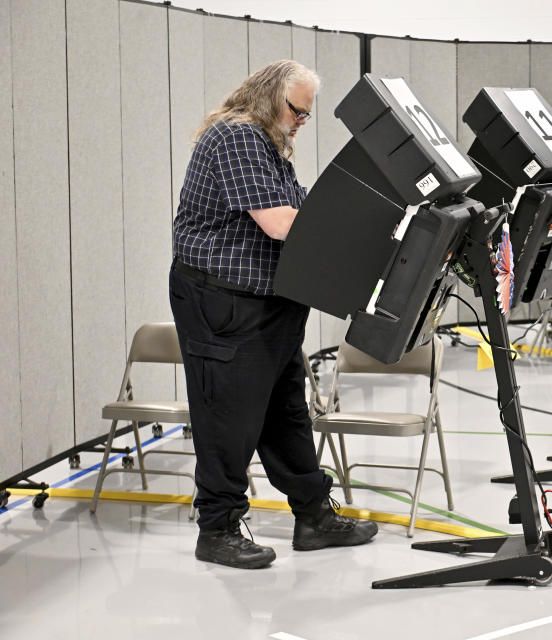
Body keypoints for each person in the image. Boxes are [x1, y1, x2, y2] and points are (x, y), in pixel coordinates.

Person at [169, 60, 377, 569]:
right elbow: (283, 224)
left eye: (307, 115)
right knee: (228, 416)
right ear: (268, 96)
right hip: (225, 301)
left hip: (266, 303)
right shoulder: (237, 137)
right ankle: (216, 528)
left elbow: (304, 210)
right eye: (298, 111)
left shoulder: (267, 148)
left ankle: (313, 517)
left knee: (285, 412)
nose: (302, 121)